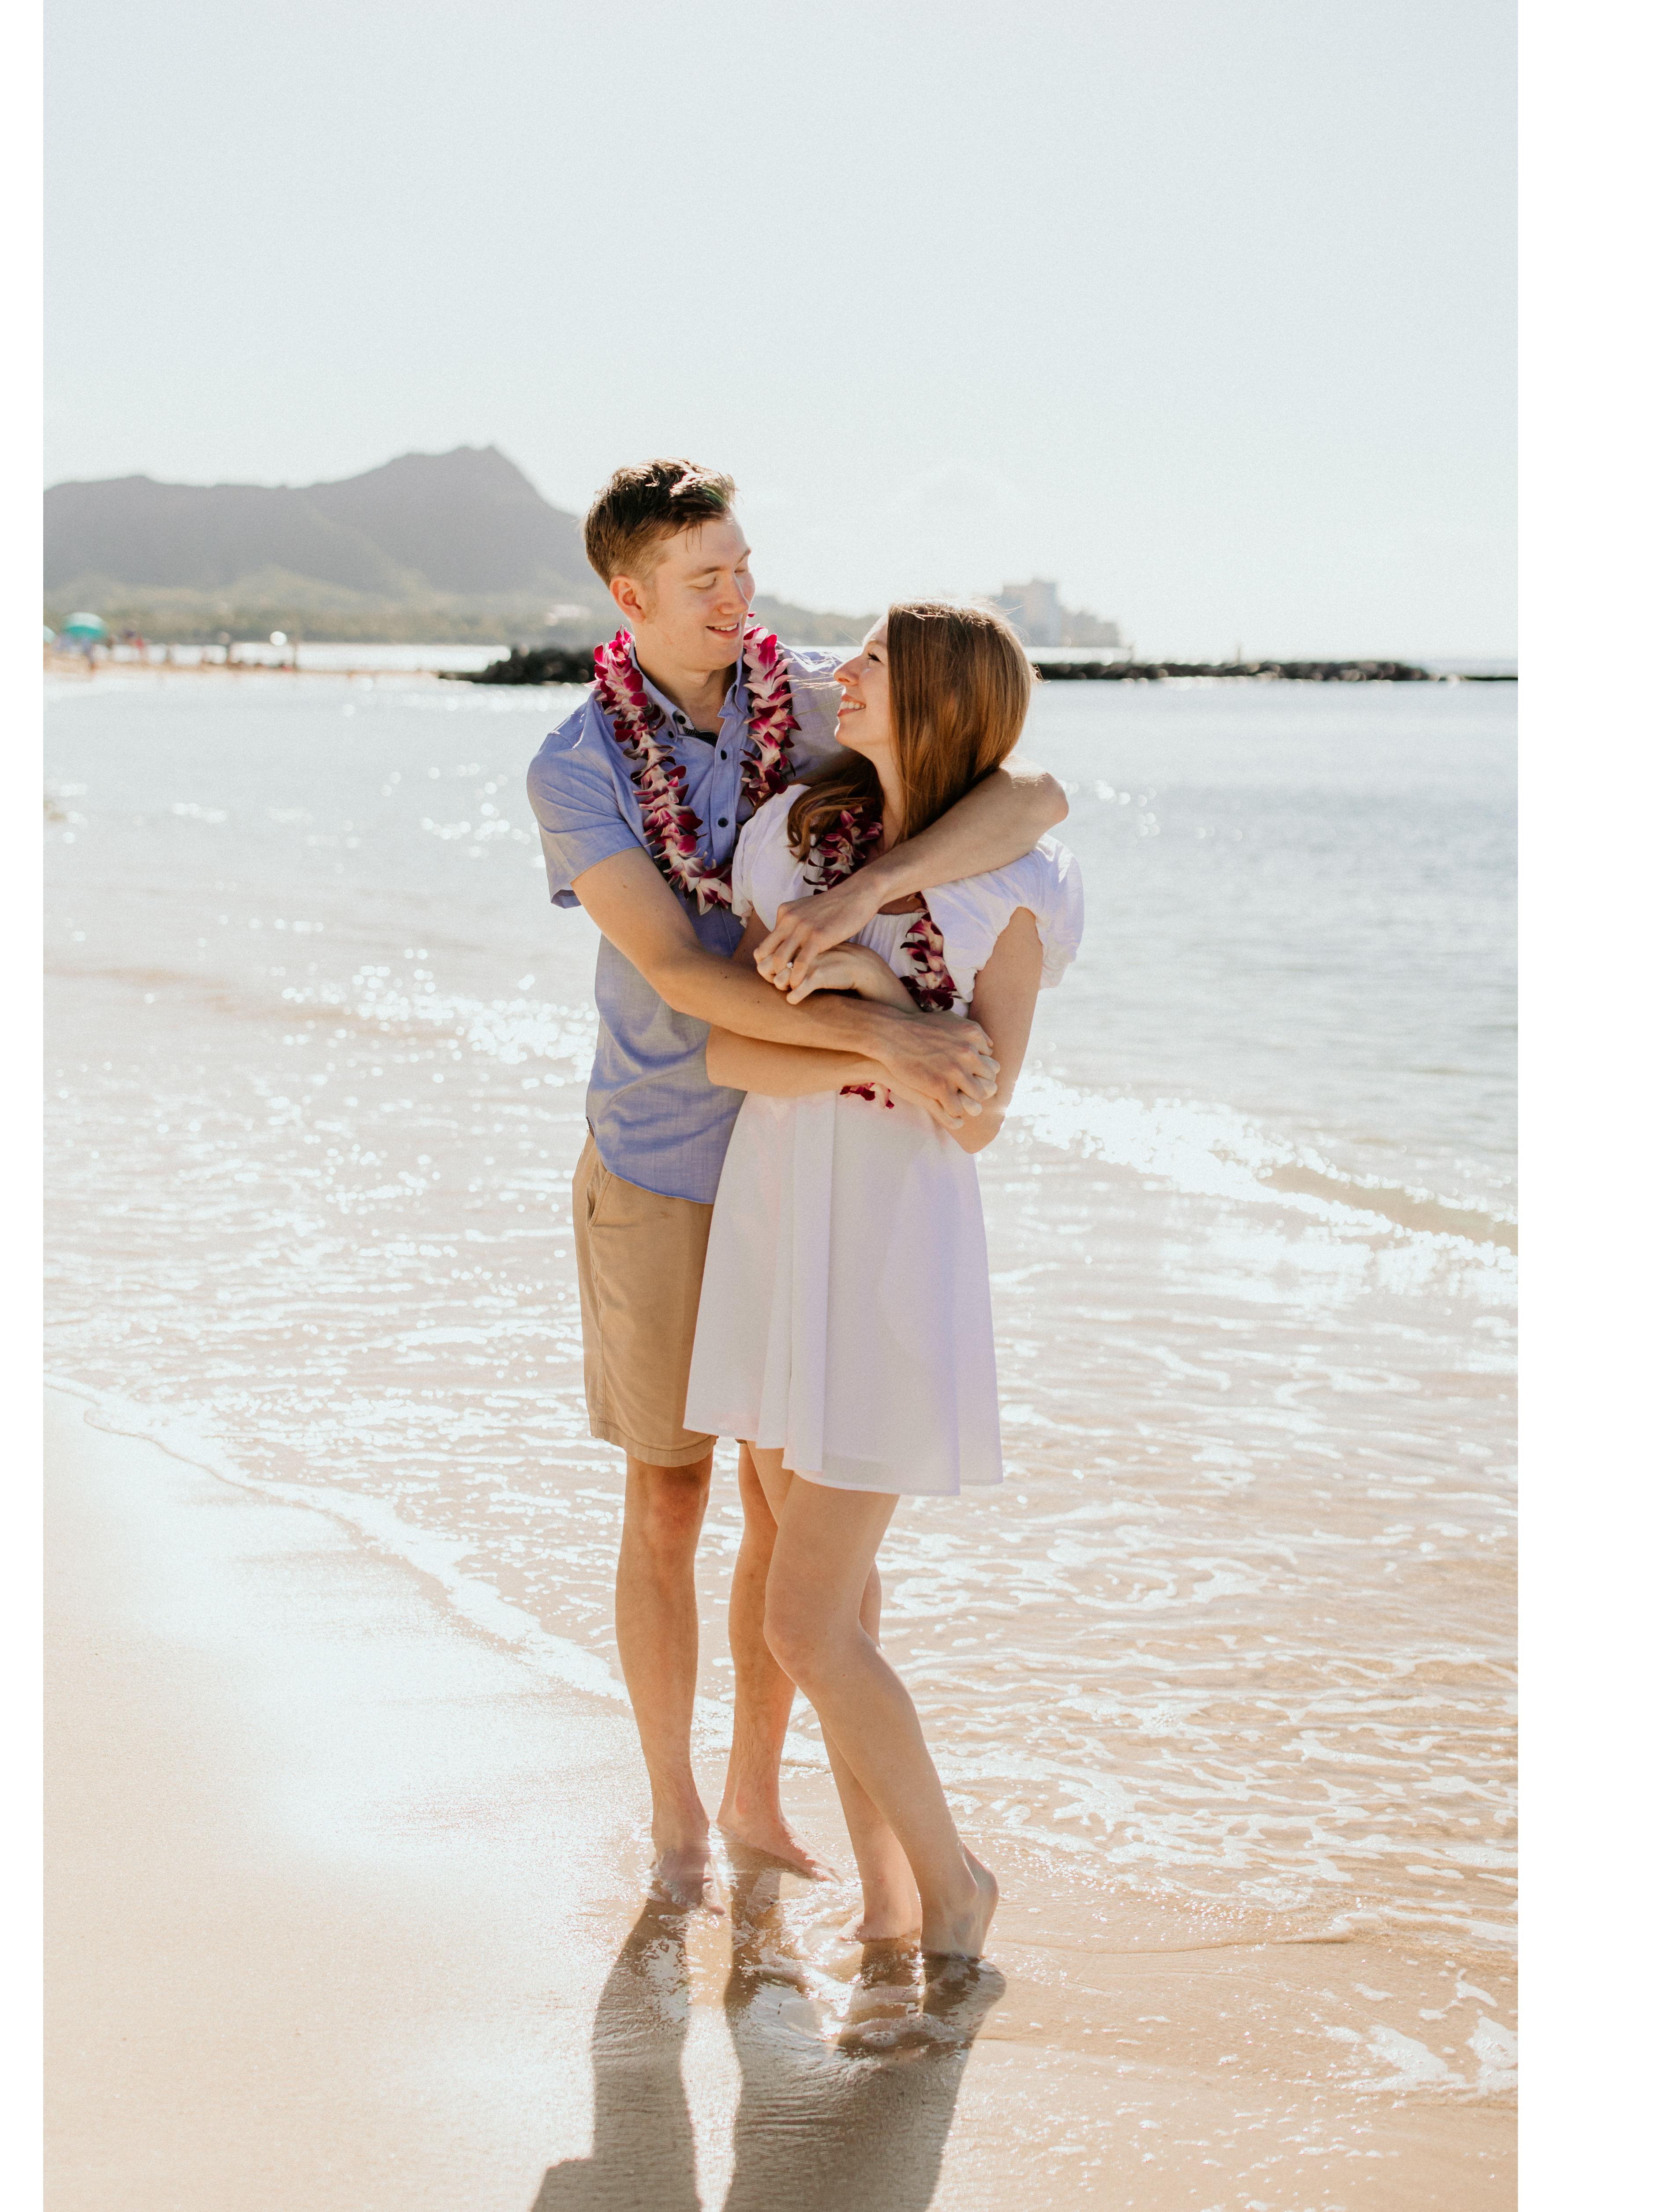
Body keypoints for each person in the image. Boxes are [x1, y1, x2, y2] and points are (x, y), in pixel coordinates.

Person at [527, 460, 1068, 1903]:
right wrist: (884, 1030)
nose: (739, 597)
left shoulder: (819, 699)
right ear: (630, 595)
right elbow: (680, 971)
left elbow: (1026, 794)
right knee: (670, 1498)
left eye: (744, 566)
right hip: (666, 1149)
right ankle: (677, 1815)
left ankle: (768, 1801)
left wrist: (864, 898)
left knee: (801, 1524)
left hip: (815, 1168)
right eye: (705, 580)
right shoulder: (578, 765)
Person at [683, 601, 1084, 1969]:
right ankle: (892, 1902)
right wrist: (874, 1019)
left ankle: (955, 1885)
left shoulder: (1015, 889)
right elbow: (733, 1053)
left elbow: (976, 1117)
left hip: (893, 1253)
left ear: (938, 699)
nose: (840, 674)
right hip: (778, 1221)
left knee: (803, 1619)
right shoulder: (791, 840)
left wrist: (873, 990)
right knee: (836, 1605)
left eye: (870, 661)